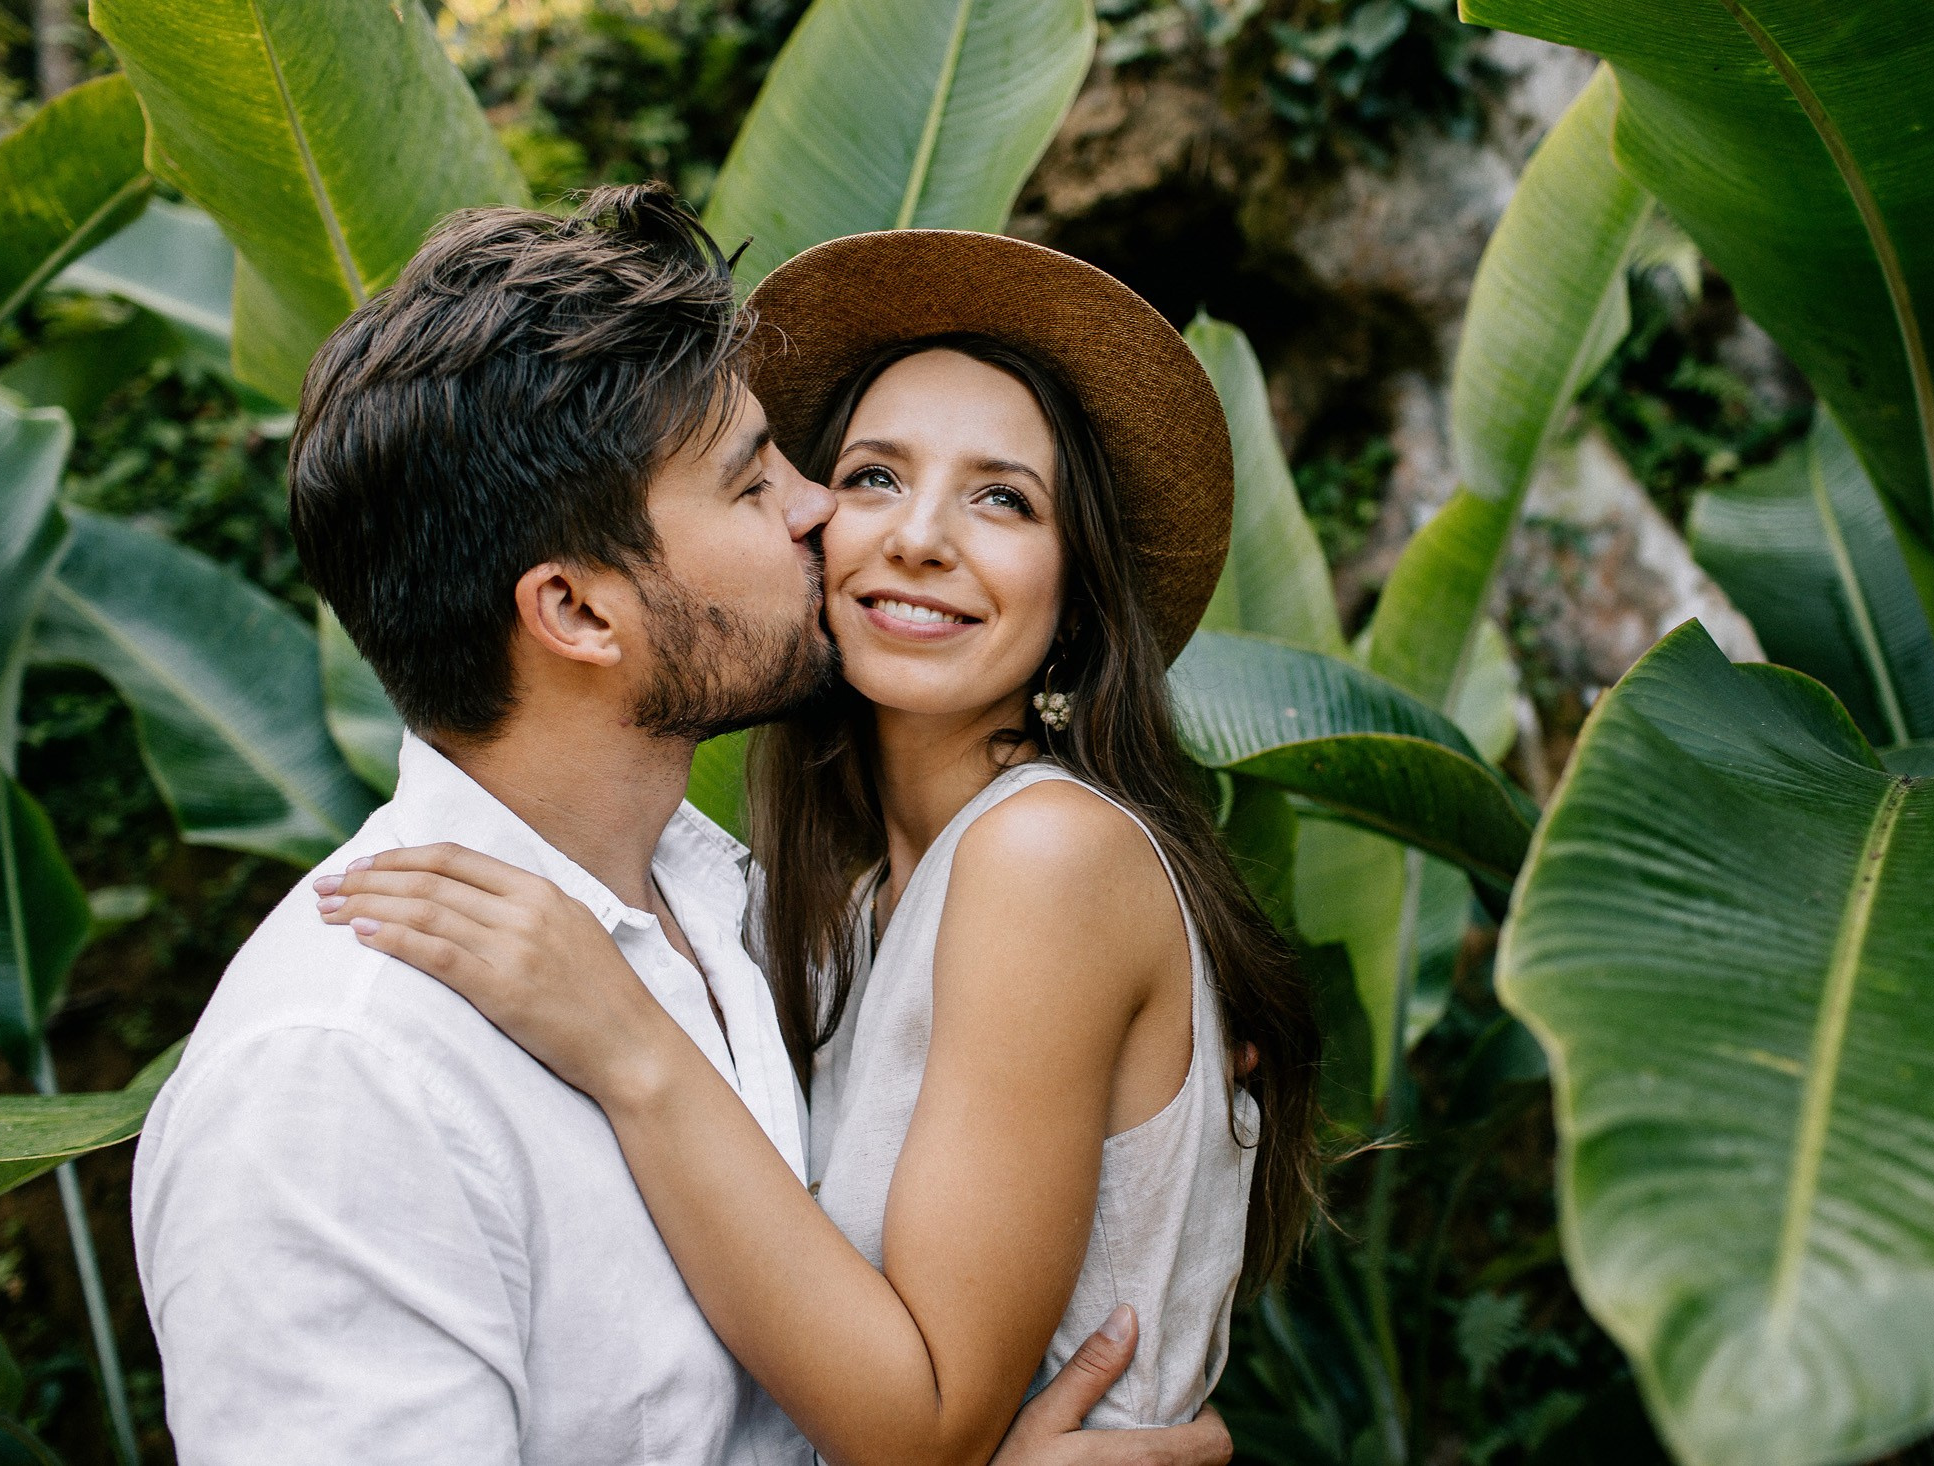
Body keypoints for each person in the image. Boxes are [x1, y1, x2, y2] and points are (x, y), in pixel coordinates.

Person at [131, 185, 1230, 1466]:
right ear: (579, 613)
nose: (823, 510)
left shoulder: (719, 924)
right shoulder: (341, 1069)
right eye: (754, 482)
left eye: (1000, 498)